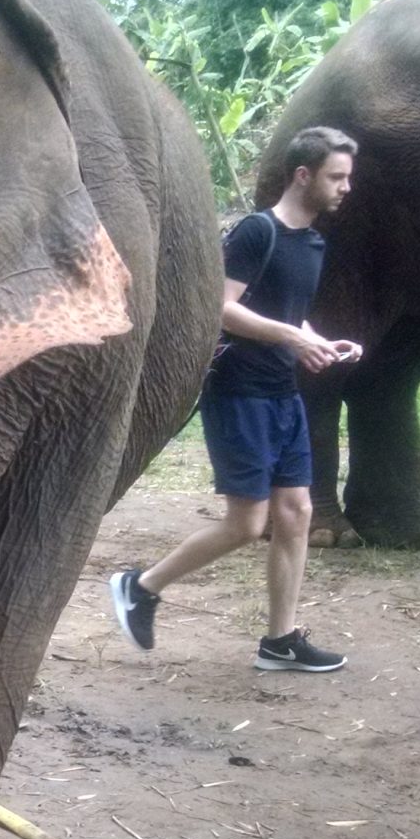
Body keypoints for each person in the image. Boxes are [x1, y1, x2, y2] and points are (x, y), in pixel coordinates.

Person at [108, 127, 365, 672]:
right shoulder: (256, 233)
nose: (346, 187)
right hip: (239, 393)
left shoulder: (314, 243)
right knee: (247, 523)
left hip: (282, 393)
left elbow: (287, 314)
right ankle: (141, 586)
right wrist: (291, 338)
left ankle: (281, 641)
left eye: (347, 178)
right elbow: (221, 308)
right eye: (336, 177)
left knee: (296, 512)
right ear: (304, 175)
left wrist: (315, 340)